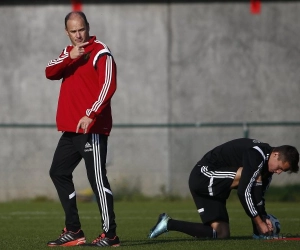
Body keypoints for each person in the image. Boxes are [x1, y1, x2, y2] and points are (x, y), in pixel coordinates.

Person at [45, 11, 120, 247]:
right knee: (58, 172)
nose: (78, 35)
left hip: (93, 128)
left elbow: (108, 86)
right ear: (66, 32)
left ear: (88, 27)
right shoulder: (68, 53)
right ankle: (74, 230)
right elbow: (49, 72)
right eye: (73, 31)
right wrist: (71, 57)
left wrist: (91, 114)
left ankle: (110, 235)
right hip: (71, 130)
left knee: (97, 180)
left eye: (81, 29)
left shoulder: (101, 51)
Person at [148, 138, 299, 240]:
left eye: (282, 171)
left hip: (215, 188)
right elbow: (244, 192)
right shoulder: (257, 154)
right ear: (276, 154)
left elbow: (258, 198)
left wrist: (264, 217)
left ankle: (168, 223)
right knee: (250, 175)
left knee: (221, 234)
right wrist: (259, 222)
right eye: (279, 167)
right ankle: (258, 229)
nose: (278, 172)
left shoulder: (267, 169)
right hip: (203, 176)